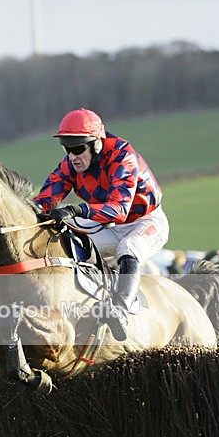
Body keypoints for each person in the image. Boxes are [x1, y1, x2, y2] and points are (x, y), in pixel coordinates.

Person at [34, 108, 169, 340]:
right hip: (108, 226)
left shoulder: (122, 156)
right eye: (67, 149)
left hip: (144, 221)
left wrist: (77, 209)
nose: (72, 156)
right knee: (68, 246)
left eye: (77, 149)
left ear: (96, 144)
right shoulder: (70, 165)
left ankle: (121, 310)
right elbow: (43, 203)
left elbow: (118, 209)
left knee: (129, 248)